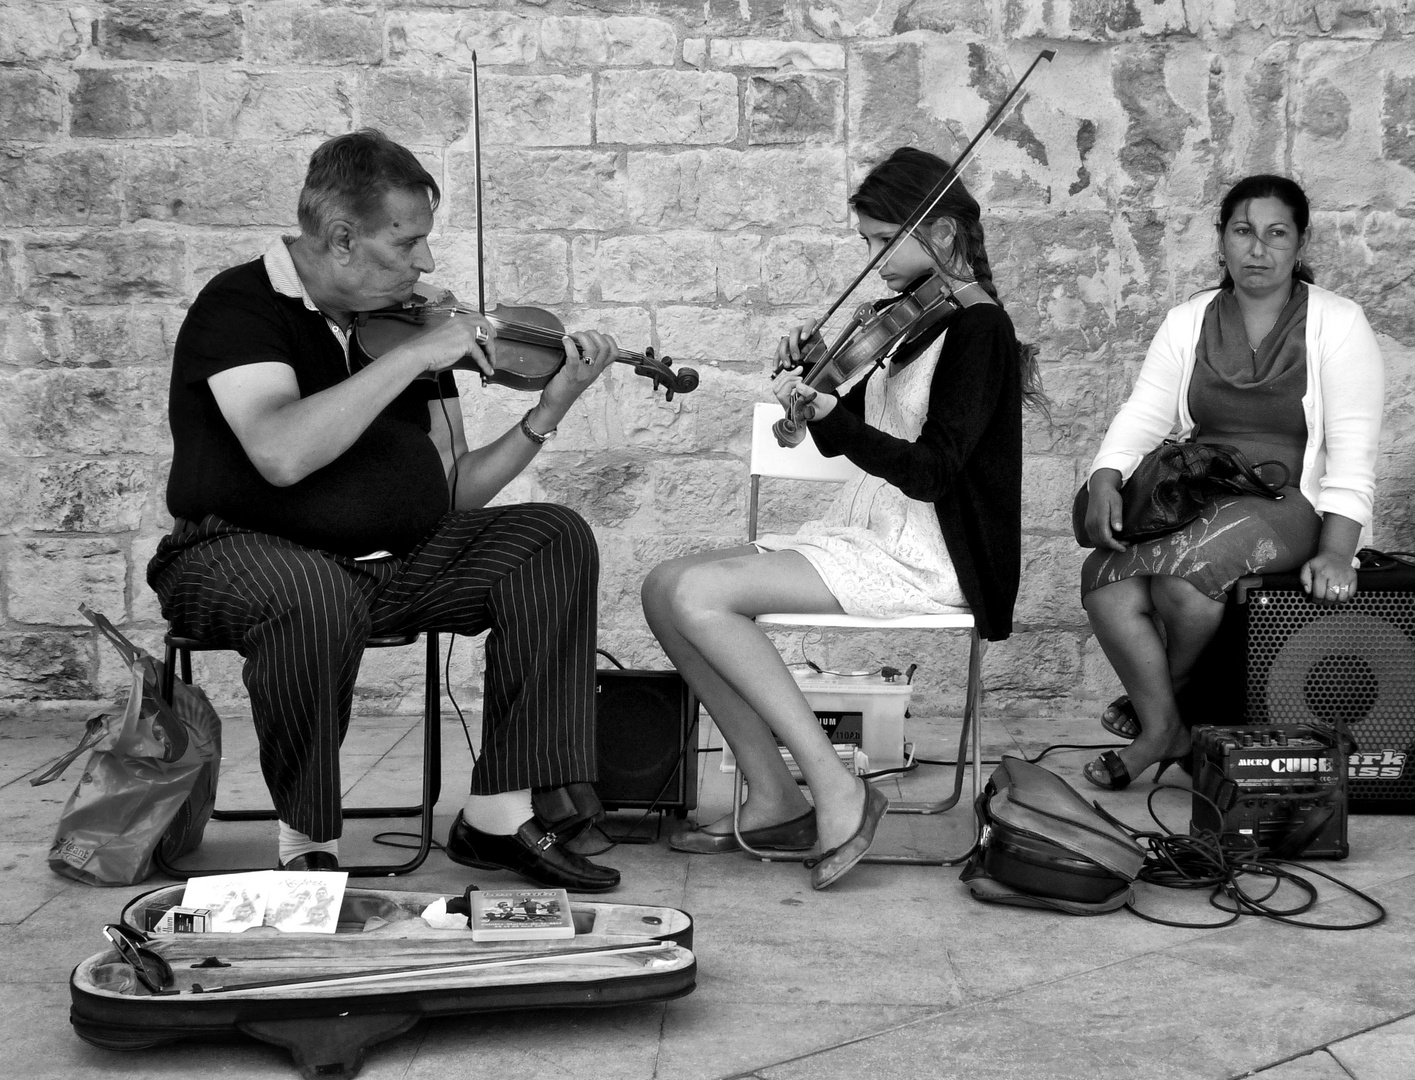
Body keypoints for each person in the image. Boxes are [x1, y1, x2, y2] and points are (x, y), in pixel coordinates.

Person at [147, 129, 625, 891]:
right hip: (234, 555)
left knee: (551, 536)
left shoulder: (402, 322)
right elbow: (280, 451)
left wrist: (548, 411)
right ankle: (307, 840)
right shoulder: (239, 306)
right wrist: (418, 356)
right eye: (408, 243)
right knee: (311, 593)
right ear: (341, 239)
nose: (427, 265)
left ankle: (500, 812)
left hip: (387, 566)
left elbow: (454, 491)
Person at [641, 147, 1037, 889]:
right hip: (870, 528)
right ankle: (771, 796)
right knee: (663, 587)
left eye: (883, 239)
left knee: (700, 596)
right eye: (866, 241)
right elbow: (838, 433)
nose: (872, 257)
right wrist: (816, 381)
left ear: (942, 235)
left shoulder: (978, 330)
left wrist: (834, 414)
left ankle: (835, 786)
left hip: (929, 550)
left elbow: (932, 471)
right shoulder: (906, 321)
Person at [1080, 174, 1384, 791]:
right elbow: (1145, 413)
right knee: (1105, 580)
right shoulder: (1189, 320)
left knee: (1184, 573)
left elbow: (1354, 452)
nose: (1258, 249)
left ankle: (1162, 709)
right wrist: (1106, 475)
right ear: (1222, 241)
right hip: (1203, 491)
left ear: (1300, 244)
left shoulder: (1339, 323)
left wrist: (1336, 551)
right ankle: (1166, 726)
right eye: (1243, 232)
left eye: (1277, 234)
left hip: (1291, 500)